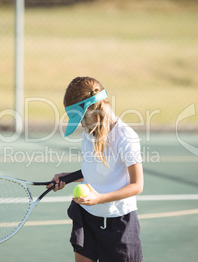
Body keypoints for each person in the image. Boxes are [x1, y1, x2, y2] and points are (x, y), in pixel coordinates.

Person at [47, 77, 144, 262]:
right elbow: (93, 170)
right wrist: (67, 178)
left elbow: (137, 185)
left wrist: (100, 198)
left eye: (82, 118)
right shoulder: (89, 134)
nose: (82, 124)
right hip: (87, 217)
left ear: (94, 108)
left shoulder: (126, 137)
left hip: (118, 224)